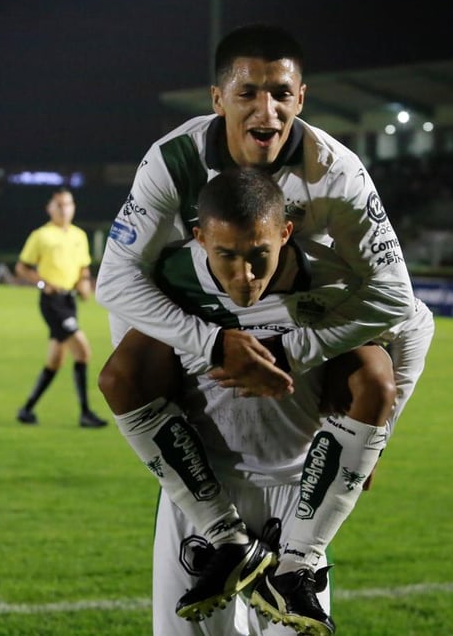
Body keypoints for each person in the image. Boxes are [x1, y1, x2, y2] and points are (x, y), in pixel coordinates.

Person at [95, 24, 429, 630]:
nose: (265, 110)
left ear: (301, 98)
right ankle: (222, 535)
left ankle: (294, 563)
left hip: (301, 453)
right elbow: (116, 282)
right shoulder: (174, 160)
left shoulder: (337, 172)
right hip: (205, 438)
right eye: (247, 92)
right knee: (122, 375)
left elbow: (400, 302)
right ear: (218, 98)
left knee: (376, 374)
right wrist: (212, 345)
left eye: (280, 93)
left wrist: (295, 355)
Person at [132, 169, 433, 635]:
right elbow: (125, 369)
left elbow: (413, 319)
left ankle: (293, 568)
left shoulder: (331, 280)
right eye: (226, 255)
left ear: (286, 234)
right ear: (200, 239)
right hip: (203, 493)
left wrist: (381, 437)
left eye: (259, 255)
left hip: (302, 494)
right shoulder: (171, 279)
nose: (245, 274)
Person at [14, 187, 107, 428]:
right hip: (53, 302)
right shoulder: (41, 235)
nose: (64, 209)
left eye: (68, 204)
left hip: (69, 301)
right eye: (59, 205)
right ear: (50, 208)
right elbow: (22, 267)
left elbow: (83, 267)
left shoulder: (79, 235)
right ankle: (85, 413)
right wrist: (42, 283)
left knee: (55, 361)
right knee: (83, 352)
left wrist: (84, 282)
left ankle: (26, 410)